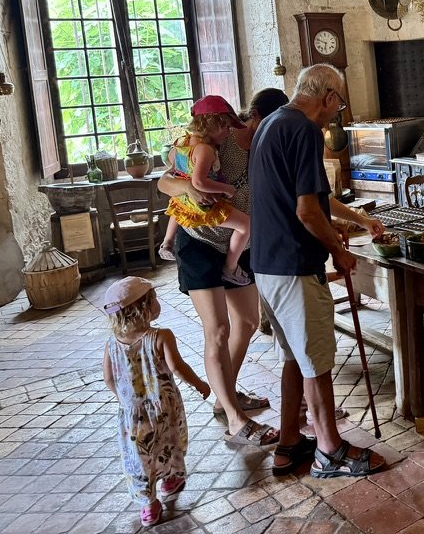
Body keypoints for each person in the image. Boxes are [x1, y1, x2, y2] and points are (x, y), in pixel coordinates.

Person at [249, 63, 387, 478]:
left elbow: (316, 202)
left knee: (296, 357)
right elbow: (307, 211)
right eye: (339, 104)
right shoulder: (306, 130)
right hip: (294, 265)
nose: (336, 113)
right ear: (327, 97)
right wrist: (337, 252)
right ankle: (331, 451)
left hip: (267, 265)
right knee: (317, 363)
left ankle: (290, 440)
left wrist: (359, 221)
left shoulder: (272, 123)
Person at [157, 88, 289, 447]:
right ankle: (234, 418)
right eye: (274, 125)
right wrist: (185, 187)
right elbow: (164, 178)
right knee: (217, 329)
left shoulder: (267, 148)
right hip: (199, 242)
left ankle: (224, 394)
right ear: (256, 119)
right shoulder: (219, 140)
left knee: (245, 322)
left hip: (236, 241)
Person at [101, 276, 211, 528]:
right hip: (163, 409)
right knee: (170, 444)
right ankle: (170, 480)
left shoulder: (111, 344)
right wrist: (200, 384)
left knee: (140, 457)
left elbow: (108, 377)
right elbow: (178, 368)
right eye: (155, 300)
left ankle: (148, 504)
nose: (158, 304)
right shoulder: (161, 336)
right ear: (144, 307)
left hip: (132, 415)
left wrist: (125, 400)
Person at [166, 95, 251, 286]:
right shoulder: (205, 150)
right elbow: (199, 182)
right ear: (216, 124)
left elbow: (175, 172)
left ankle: (167, 242)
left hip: (184, 203)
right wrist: (227, 189)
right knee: (246, 225)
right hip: (203, 204)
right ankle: (230, 268)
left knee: (175, 205)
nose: (228, 133)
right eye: (227, 127)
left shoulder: (181, 143)